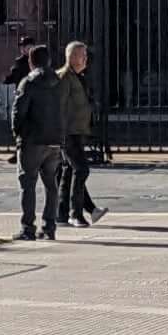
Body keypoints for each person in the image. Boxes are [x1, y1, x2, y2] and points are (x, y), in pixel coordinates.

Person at [9, 44, 70, 239]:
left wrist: (18, 134)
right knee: (50, 184)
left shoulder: (28, 83)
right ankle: (49, 226)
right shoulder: (59, 82)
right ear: (49, 61)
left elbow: (18, 113)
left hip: (32, 140)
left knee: (28, 183)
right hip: (54, 140)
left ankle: (28, 227)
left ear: (30, 61)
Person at [53, 40, 104, 223]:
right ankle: (76, 214)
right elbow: (60, 106)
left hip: (76, 131)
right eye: (82, 55)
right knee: (81, 169)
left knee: (68, 171)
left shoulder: (77, 76)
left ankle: (61, 213)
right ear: (73, 57)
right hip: (68, 133)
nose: (85, 59)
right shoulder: (65, 77)